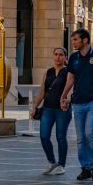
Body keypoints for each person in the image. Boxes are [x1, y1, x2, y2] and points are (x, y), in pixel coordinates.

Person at [59, 29, 93, 181]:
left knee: (90, 133)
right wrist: (63, 96)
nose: (73, 42)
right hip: (78, 102)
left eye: (75, 39)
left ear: (85, 40)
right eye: (73, 39)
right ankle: (85, 168)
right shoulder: (74, 58)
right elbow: (70, 79)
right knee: (81, 137)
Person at [32, 47, 71, 175]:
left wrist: (68, 100)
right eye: (55, 54)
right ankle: (51, 161)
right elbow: (42, 91)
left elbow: (71, 89)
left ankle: (61, 164)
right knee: (44, 136)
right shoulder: (48, 72)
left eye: (61, 55)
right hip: (47, 108)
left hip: (62, 110)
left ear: (65, 57)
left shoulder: (69, 72)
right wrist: (35, 106)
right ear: (53, 56)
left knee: (61, 137)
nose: (58, 57)